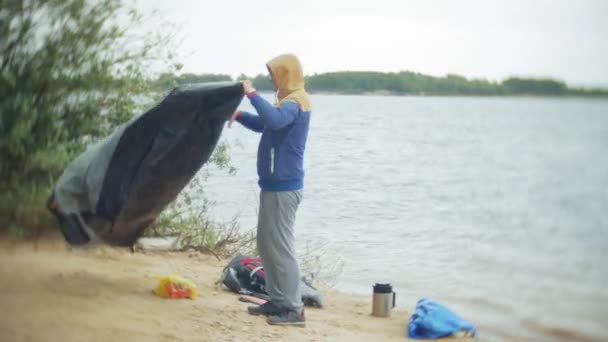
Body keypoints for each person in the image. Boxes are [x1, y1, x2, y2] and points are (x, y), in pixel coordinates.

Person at [229, 53, 311, 327]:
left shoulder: (296, 102)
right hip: (273, 186)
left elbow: (275, 120)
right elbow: (264, 123)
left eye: (274, 74)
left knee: (281, 248)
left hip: (284, 188)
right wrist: (239, 115)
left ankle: (294, 309)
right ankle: (277, 300)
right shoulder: (284, 103)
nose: (271, 80)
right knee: (267, 244)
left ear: (286, 74)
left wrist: (250, 94)